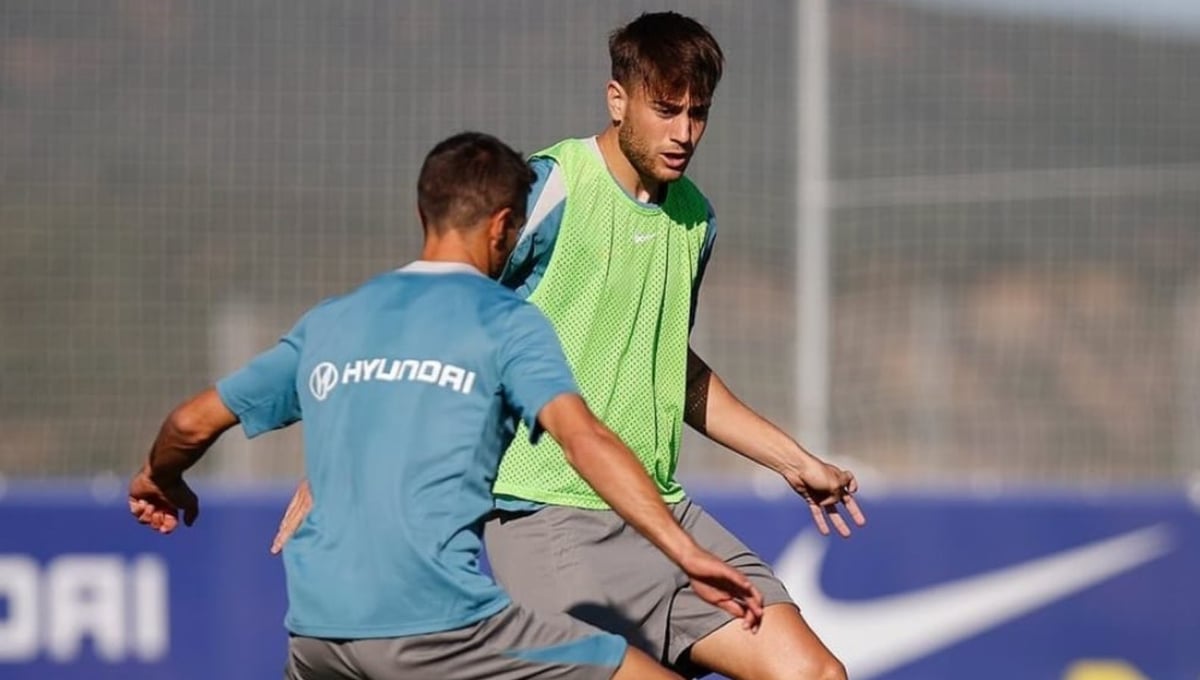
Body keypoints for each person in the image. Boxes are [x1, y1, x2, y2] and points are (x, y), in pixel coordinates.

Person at [275, 11, 867, 679]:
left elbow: (667, 368)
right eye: (665, 110)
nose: (683, 133)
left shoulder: (694, 219)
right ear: (617, 99)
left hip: (662, 512)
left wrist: (792, 460)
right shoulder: (548, 189)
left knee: (817, 674)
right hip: (548, 519)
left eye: (697, 113)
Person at [128, 131, 764, 680]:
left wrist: (160, 476)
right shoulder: (507, 322)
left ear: (421, 210)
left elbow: (190, 422)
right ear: (504, 226)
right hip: (440, 627)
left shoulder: (334, 320)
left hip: (317, 633)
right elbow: (584, 441)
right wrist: (686, 553)